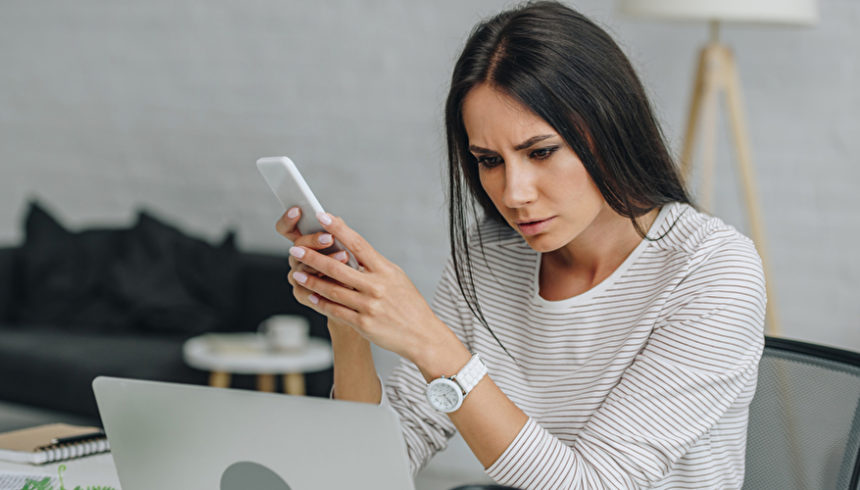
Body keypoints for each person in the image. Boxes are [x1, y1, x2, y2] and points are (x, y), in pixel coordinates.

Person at [274, 2, 765, 488]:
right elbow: (372, 471)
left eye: (541, 152)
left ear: (610, 124)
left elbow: (595, 485)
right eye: (489, 161)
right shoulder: (490, 256)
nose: (514, 194)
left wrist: (430, 340)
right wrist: (347, 325)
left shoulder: (713, 272)